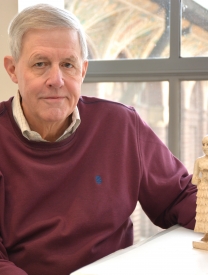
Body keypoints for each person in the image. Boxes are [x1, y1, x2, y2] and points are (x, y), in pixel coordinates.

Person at [0, 4, 196, 275]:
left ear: (82, 71)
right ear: (12, 69)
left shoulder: (121, 124)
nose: (56, 80)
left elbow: (181, 198)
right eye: (40, 64)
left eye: (68, 64)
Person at [192, 135, 208, 242]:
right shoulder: (199, 161)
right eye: (203, 144)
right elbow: (194, 177)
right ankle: (207, 234)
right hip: (204, 189)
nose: (205, 147)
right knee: (205, 212)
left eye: (207, 144)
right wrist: (197, 180)